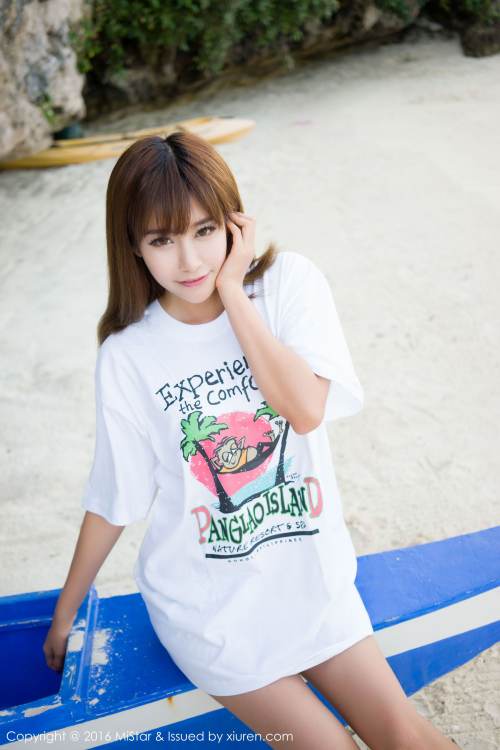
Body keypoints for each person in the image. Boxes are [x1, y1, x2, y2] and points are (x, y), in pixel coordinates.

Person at [43, 132, 458, 750]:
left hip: (312, 585)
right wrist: (65, 611)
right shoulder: (128, 354)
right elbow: (115, 495)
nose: (190, 261)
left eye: (204, 230)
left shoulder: (288, 285)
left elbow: (305, 409)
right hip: (213, 613)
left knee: (406, 737)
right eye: (162, 240)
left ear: (234, 223)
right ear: (132, 245)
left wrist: (234, 292)